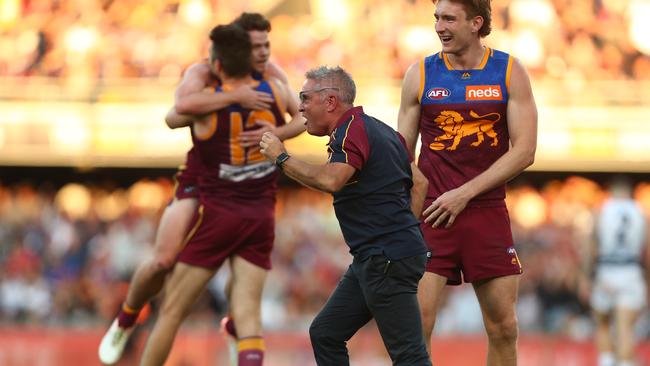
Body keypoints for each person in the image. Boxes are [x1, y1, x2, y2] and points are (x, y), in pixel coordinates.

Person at [98, 12, 304, 365]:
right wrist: (235, 96)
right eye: (256, 46)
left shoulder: (272, 76)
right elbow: (175, 113)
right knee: (163, 261)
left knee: (195, 306)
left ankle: (229, 327)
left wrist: (275, 133)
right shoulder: (205, 74)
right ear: (239, 47)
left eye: (267, 45)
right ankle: (126, 318)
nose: (264, 53)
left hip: (227, 200)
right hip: (206, 183)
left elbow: (301, 116)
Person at [259, 66, 431, 366]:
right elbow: (420, 183)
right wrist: (405, 233)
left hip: (385, 257)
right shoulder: (381, 131)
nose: (300, 106)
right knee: (326, 333)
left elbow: (331, 180)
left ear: (330, 101)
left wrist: (281, 158)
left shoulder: (351, 130)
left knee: (409, 356)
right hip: (378, 256)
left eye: (305, 97)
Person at [397, 0, 537, 365]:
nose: (439, 27)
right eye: (436, 18)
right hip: (432, 215)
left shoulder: (509, 71)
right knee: (417, 325)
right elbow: (402, 154)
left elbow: (525, 151)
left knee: (504, 327)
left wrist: (465, 193)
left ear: (476, 23)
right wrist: (416, 202)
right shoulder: (420, 74)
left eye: (448, 19)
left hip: (486, 213)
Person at [583, 177, 648, 366]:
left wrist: (586, 277)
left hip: (606, 271)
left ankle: (607, 361)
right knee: (625, 328)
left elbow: (589, 246)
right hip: (631, 270)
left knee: (602, 324)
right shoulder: (641, 212)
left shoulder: (601, 210)